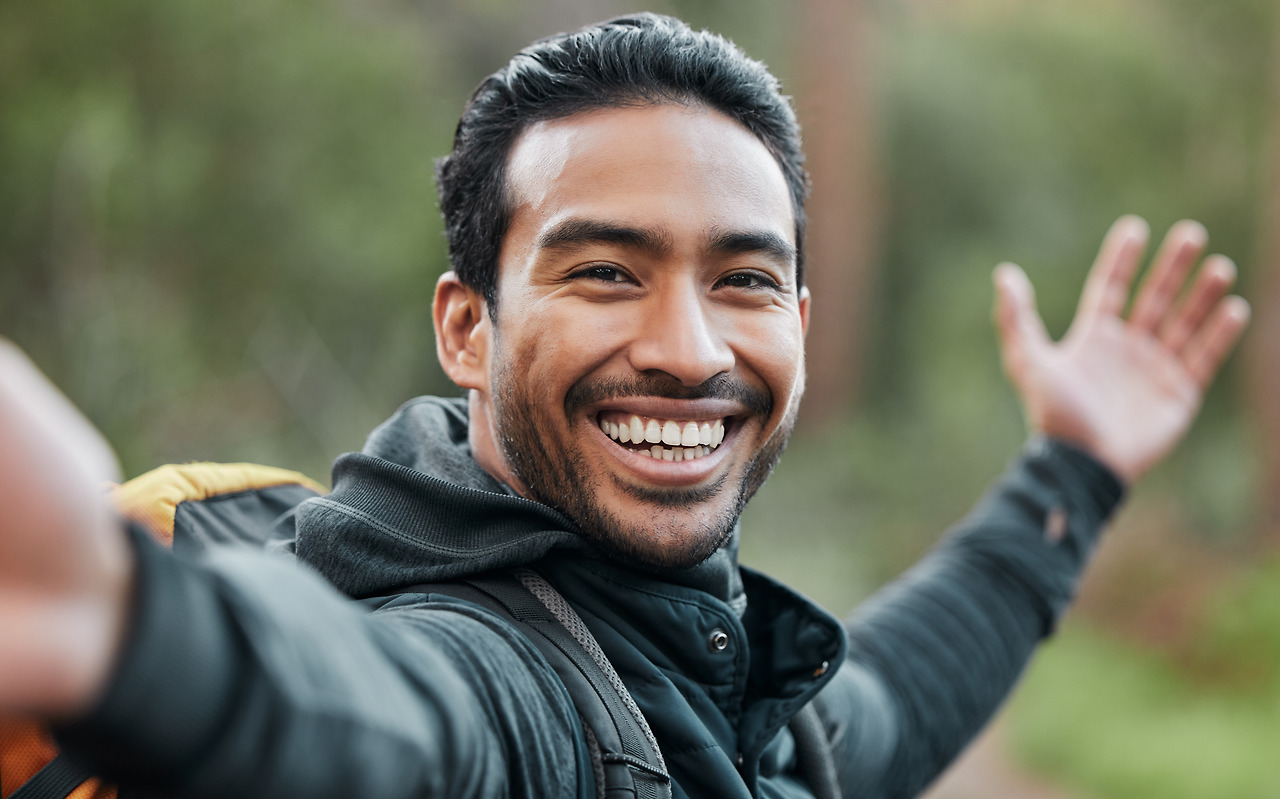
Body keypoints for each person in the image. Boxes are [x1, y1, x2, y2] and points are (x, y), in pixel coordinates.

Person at [0, 12, 1251, 799]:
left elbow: (883, 708)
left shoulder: (708, 668)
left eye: (744, 279)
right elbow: (379, 716)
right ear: (465, 326)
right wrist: (129, 630)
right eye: (605, 270)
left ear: (799, 330)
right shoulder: (496, 678)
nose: (686, 348)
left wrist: (1072, 468)